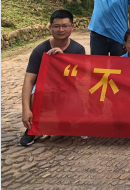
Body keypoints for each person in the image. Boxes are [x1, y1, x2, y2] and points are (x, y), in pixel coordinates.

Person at [20, 10, 86, 146]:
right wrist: (26, 110)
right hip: (45, 89)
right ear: (50, 28)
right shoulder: (40, 50)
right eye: (56, 26)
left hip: (67, 88)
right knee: (36, 92)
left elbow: (80, 79)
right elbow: (28, 80)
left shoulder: (78, 50)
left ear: (72, 27)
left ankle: (71, 120)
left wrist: (62, 59)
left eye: (65, 26)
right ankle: (34, 129)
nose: (61, 30)